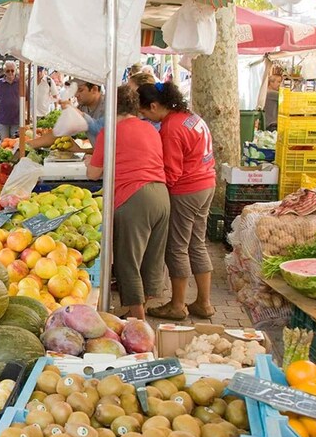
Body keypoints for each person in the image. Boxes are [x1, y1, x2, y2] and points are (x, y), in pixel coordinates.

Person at [85, 86, 170, 320]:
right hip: (161, 195)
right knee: (152, 258)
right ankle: (138, 307)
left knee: (127, 260)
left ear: (112, 107)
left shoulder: (109, 132)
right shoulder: (151, 129)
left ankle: (138, 320)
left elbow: (93, 173)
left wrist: (86, 161)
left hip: (133, 197)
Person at [138, 81, 217, 320]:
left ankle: (177, 304)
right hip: (207, 184)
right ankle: (203, 303)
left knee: (177, 247)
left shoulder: (171, 128)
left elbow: (171, 172)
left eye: (143, 112)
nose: (144, 117)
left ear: (153, 106)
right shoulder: (190, 116)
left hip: (187, 190)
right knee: (197, 243)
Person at [0, 61, 21, 139]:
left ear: (15, 70)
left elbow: (27, 100)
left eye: (12, 70)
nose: (10, 72)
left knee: (15, 143)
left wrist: (25, 114)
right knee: (4, 143)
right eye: (8, 70)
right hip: (2, 120)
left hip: (17, 119)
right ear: (4, 71)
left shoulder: (21, 83)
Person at [263, 65, 284, 131]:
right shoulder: (271, 93)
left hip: (266, 123)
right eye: (278, 82)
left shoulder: (266, 91)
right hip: (272, 124)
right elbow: (286, 97)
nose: (279, 84)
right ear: (271, 82)